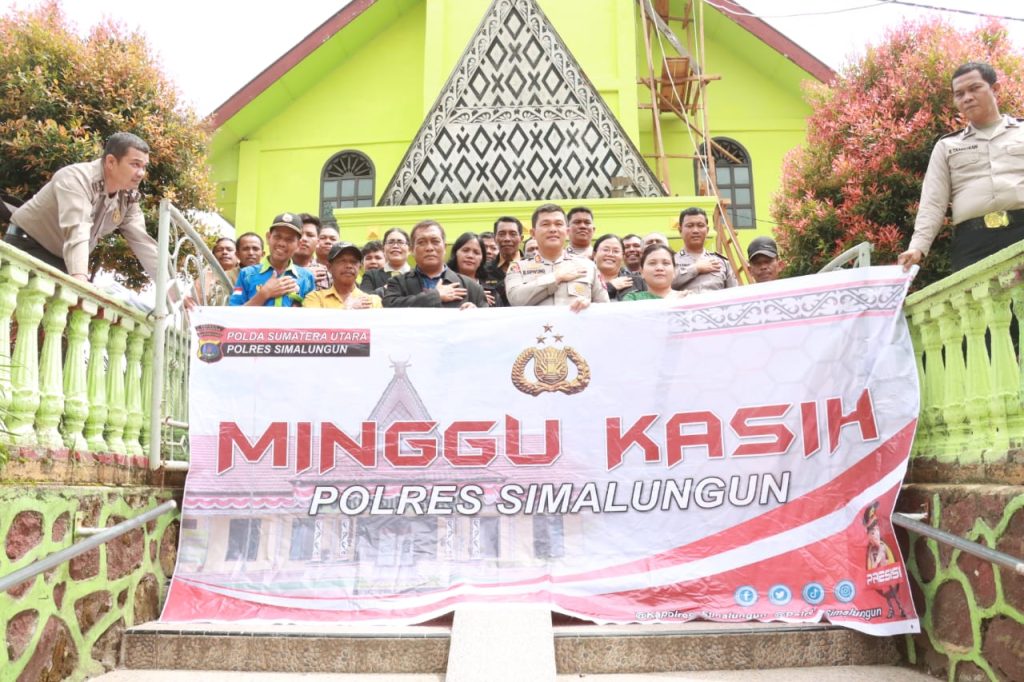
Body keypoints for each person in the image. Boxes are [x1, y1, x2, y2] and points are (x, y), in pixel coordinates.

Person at [898, 62, 1024, 272]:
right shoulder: (947, 146)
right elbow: (933, 201)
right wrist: (917, 247)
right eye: (959, 94)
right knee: (976, 294)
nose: (967, 97)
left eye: (975, 88)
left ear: (995, 89)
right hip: (973, 243)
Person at [4, 132, 162, 281]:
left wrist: (169, 287)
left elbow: (143, 243)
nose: (141, 173)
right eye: (135, 164)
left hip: (64, 261)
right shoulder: (76, 178)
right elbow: (78, 229)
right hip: (27, 248)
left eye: (144, 167)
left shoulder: (128, 197)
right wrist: (80, 279)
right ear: (111, 162)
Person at [505, 203, 609, 311]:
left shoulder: (588, 266)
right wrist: (556, 277)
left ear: (567, 231)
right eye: (545, 224)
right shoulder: (518, 267)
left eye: (558, 224)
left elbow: (606, 309)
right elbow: (515, 300)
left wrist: (590, 307)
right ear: (533, 233)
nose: (553, 229)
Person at [382, 221, 488, 309]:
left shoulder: (472, 288)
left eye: (435, 241)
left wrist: (476, 314)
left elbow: (487, 323)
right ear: (412, 250)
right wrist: (435, 296)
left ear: (445, 248)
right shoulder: (397, 283)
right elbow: (389, 308)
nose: (429, 248)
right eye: (421, 242)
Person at [228, 213, 316, 307]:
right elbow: (233, 313)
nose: (282, 243)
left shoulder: (306, 277)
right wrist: (264, 294)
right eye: (277, 237)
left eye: (289, 239)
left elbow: (312, 313)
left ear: (298, 244)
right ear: (268, 237)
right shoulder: (247, 274)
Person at [671, 207, 737, 293]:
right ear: (680, 230)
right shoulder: (671, 261)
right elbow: (663, 284)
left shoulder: (722, 262)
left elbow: (734, 294)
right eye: (690, 226)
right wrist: (696, 268)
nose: (695, 230)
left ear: (707, 230)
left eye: (700, 225)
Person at [303, 242, 382, 309]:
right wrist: (347, 308)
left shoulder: (372, 301)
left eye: (353, 262)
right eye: (342, 261)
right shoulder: (314, 298)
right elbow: (314, 322)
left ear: (360, 267)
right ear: (329, 267)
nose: (349, 266)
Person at [480, 216, 524, 307]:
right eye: (502, 234)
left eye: (513, 234)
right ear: (495, 238)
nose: (507, 238)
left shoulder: (534, 266)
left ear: (521, 238)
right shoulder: (482, 270)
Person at [623, 244, 688, 301]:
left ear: (674, 271)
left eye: (666, 263)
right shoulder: (632, 299)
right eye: (652, 263)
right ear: (642, 272)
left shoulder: (687, 298)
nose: (659, 268)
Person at [592, 234, 644, 301]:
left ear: (622, 256)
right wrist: (610, 287)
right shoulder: (585, 280)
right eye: (605, 250)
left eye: (616, 251)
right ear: (594, 255)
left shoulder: (637, 282)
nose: (610, 254)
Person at [360, 227, 410, 294]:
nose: (395, 246)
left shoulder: (419, 275)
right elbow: (364, 298)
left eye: (400, 242)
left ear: (410, 249)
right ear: (384, 248)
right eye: (390, 242)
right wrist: (385, 289)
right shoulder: (370, 275)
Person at [446, 231, 491, 304]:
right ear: (455, 253)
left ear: (482, 259)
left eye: (476, 252)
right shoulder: (443, 285)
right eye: (465, 250)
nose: (470, 256)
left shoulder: (491, 291)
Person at [194, 237, 239, 305]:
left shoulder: (246, 275)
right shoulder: (206, 276)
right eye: (219, 250)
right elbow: (197, 302)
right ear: (213, 256)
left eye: (229, 249)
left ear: (238, 255)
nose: (224, 252)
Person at [294, 213, 329, 290]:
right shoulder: (277, 270)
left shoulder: (325, 273)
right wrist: (305, 275)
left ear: (318, 241)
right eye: (299, 234)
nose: (304, 239)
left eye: (310, 235)